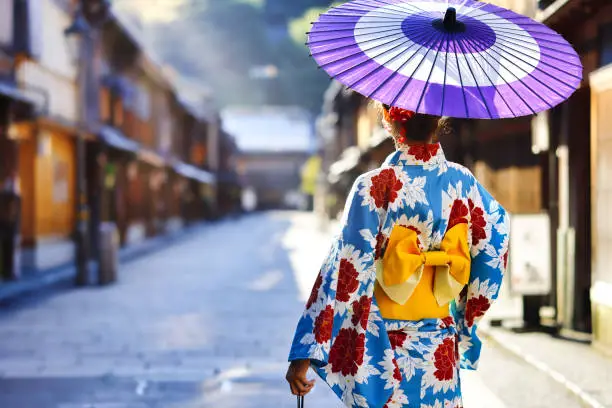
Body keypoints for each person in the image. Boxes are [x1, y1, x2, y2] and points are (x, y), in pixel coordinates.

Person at [285, 105, 509, 407]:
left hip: (385, 347)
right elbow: (493, 246)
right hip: (439, 347)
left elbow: (344, 272)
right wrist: (466, 313)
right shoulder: (463, 183)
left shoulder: (373, 186)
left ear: (388, 121)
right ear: (439, 120)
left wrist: (307, 350)